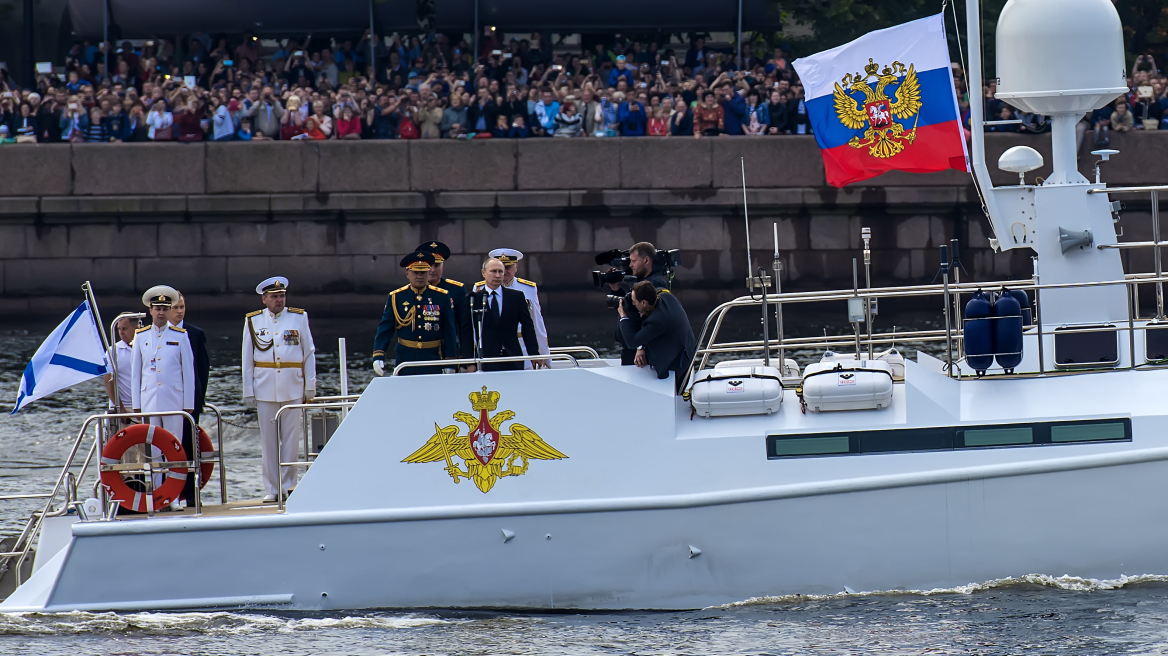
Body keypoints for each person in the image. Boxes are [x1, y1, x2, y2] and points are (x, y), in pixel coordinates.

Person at [241, 277, 317, 502]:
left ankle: (289, 484)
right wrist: (248, 389)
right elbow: (247, 357)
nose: (279, 300)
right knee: (269, 441)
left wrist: (310, 385)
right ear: (264, 299)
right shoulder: (253, 320)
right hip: (265, 386)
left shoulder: (299, 317)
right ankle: (272, 488)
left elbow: (308, 352)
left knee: (291, 440)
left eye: (282, 296)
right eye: (274, 297)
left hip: (293, 385)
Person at [130, 285, 196, 511]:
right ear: (150, 310)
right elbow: (136, 373)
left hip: (173, 400)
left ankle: (173, 497)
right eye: (157, 308)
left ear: (169, 311)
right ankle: (157, 497)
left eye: (165, 309)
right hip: (149, 400)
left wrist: (188, 404)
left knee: (174, 449)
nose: (161, 312)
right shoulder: (141, 336)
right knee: (153, 452)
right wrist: (136, 405)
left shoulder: (180, 335)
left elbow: (188, 371)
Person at [372, 252, 457, 377]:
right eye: (415, 273)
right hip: (406, 358)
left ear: (428, 273)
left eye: (423, 273)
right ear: (407, 273)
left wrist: (450, 361)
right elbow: (385, 328)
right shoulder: (397, 297)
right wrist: (378, 354)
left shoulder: (442, 296)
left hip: (432, 357)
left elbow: (449, 331)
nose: (419, 276)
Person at [167, 293, 210, 506]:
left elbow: (202, 369)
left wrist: (199, 399)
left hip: (189, 401)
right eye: (176, 307)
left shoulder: (195, 333)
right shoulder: (154, 335)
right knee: (166, 447)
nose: (180, 311)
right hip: (166, 400)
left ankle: (191, 494)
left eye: (182, 307)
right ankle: (167, 493)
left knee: (189, 447)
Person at [474, 248, 550, 369]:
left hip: (521, 346)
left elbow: (536, 322)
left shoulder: (528, 288)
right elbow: (474, 328)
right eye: (501, 267)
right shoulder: (479, 289)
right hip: (489, 349)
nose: (504, 272)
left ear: (516, 267)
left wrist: (543, 353)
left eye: (508, 267)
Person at [617, 281, 696, 392]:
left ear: (644, 303)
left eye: (634, 301)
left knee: (674, 392)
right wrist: (642, 347)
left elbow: (631, 342)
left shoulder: (657, 321)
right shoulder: (665, 295)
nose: (633, 304)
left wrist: (623, 316)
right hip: (687, 347)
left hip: (678, 361)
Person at [605, 242, 670, 365]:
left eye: (634, 261)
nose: (630, 265)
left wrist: (642, 347)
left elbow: (654, 320)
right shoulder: (640, 281)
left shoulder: (656, 284)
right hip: (631, 346)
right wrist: (615, 289)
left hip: (641, 353)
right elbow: (630, 308)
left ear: (646, 260)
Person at [415, 241, 470, 362]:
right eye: (429, 266)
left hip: (447, 350)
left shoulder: (456, 289)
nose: (432, 270)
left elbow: (463, 326)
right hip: (418, 351)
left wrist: (465, 358)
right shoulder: (412, 290)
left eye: (437, 266)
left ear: (443, 266)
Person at [103, 314, 138, 415]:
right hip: (123, 407)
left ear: (136, 328)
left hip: (145, 406)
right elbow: (108, 381)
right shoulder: (112, 351)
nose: (121, 333)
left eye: (125, 329)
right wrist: (121, 409)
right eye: (119, 329)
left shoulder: (146, 348)